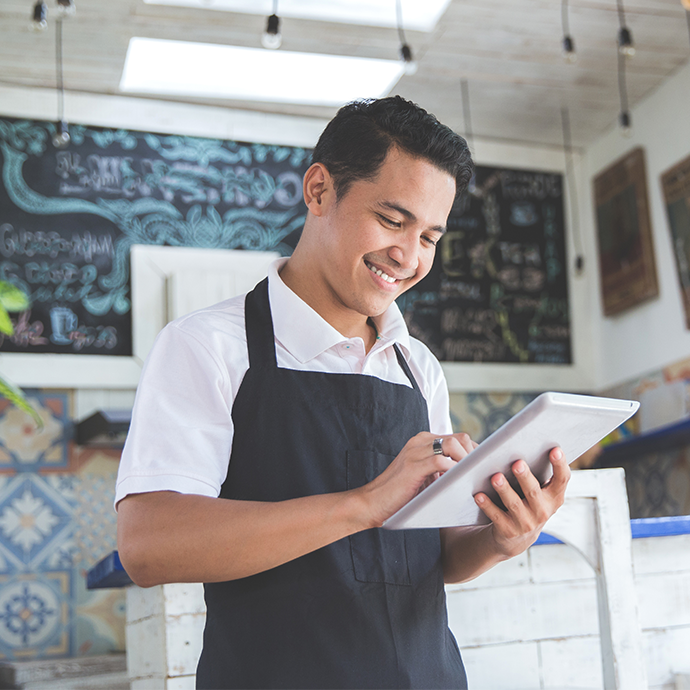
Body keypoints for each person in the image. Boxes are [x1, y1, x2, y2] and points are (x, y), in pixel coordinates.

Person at [116, 96, 570, 689]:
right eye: (392, 219)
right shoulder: (206, 346)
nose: (408, 257)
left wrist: (500, 538)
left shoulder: (418, 367)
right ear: (320, 190)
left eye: (431, 236)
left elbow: (432, 559)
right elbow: (149, 546)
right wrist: (362, 505)